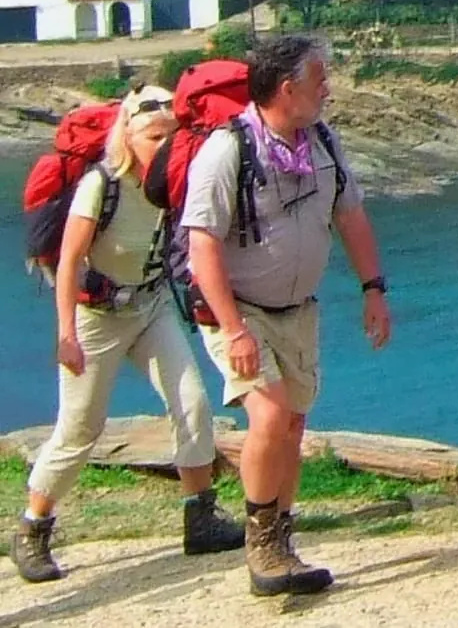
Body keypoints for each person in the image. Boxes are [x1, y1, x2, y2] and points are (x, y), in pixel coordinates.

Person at [181, 35, 391, 597]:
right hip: (237, 311)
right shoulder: (228, 151)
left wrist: (373, 288)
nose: (327, 88)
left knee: (292, 426)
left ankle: (282, 538)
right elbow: (201, 245)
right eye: (319, 79)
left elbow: (350, 216)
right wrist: (233, 329)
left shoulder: (323, 141)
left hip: (297, 311)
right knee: (271, 418)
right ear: (286, 88)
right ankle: (262, 544)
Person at [13, 87, 246, 584]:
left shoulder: (177, 182)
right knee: (80, 429)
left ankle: (199, 517)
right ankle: (33, 528)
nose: (161, 145)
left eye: (168, 135)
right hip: (94, 317)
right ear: (128, 135)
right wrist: (65, 334)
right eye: (151, 135)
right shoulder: (102, 184)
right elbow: (72, 259)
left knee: (192, 404)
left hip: (151, 305)